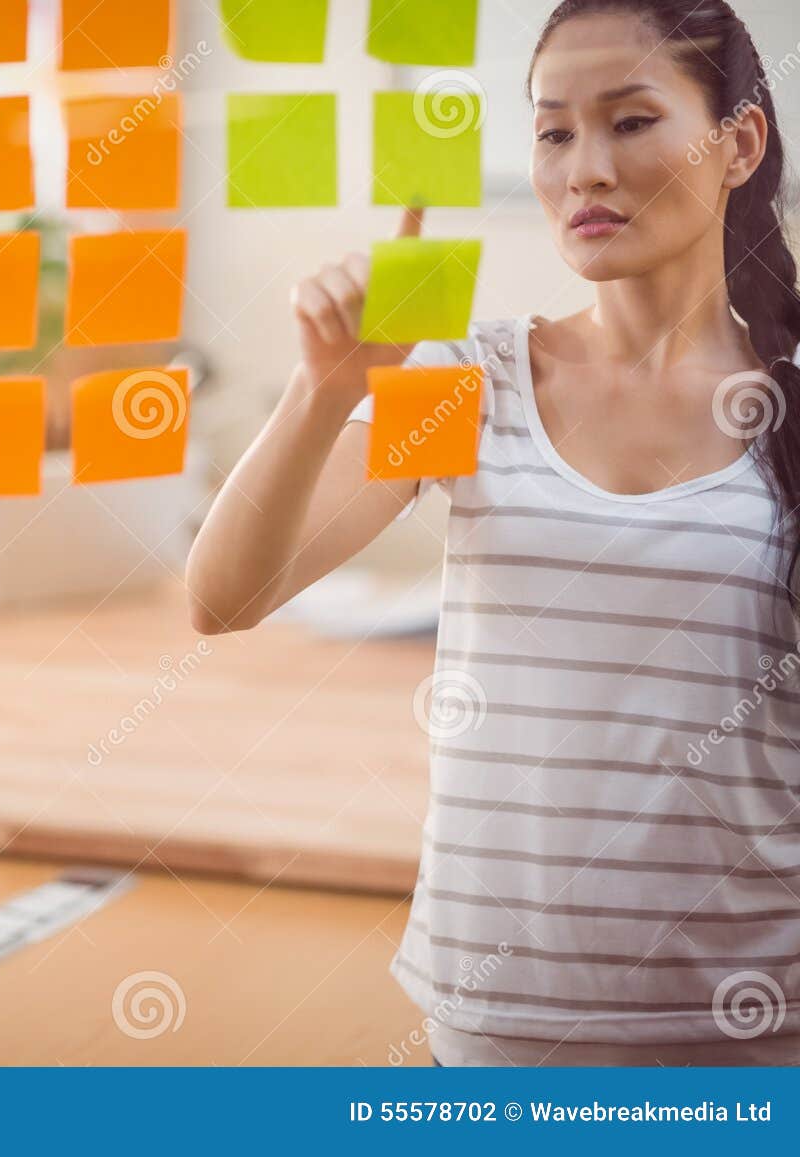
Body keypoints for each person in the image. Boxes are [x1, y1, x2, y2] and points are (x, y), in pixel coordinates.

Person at [188, 0, 800, 1066]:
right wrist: (325, 390)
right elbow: (224, 596)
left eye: (630, 120)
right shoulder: (468, 380)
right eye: (553, 130)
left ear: (736, 142)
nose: (584, 170)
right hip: (498, 1029)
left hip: (753, 1030)